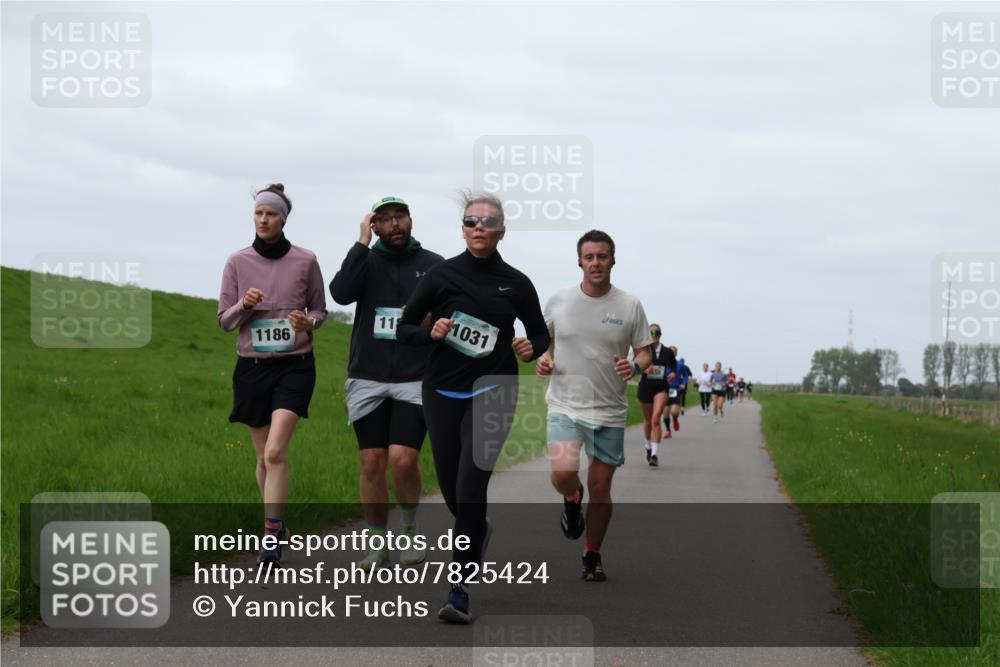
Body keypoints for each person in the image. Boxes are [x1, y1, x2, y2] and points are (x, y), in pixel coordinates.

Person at [397, 192, 549, 624]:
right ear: (462, 228)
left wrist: (527, 347)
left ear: (502, 231)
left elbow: (539, 335)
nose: (478, 227)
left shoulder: (516, 282)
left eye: (488, 222)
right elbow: (406, 327)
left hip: (495, 389)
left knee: (470, 485)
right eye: (470, 221)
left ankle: (458, 589)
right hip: (442, 391)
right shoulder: (440, 275)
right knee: (451, 487)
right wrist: (432, 332)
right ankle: (476, 528)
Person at [329, 196, 444, 571]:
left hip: (415, 375)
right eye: (385, 219)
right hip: (368, 375)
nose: (394, 224)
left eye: (400, 217)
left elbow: (452, 313)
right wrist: (360, 243)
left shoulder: (433, 266)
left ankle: (409, 531)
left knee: (403, 458)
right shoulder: (366, 260)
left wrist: (435, 321)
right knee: (371, 461)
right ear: (374, 226)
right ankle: (377, 543)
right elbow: (341, 293)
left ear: (411, 221)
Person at [218, 183, 327, 565]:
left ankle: (269, 536)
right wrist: (244, 306)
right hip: (251, 367)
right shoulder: (237, 261)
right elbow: (224, 321)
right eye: (259, 214)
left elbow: (320, 311)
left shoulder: (305, 260)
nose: (263, 220)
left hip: (295, 365)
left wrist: (307, 321)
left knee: (277, 450)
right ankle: (276, 523)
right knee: (263, 457)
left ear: (283, 219)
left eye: (271, 214)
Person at [537, 230, 653, 583]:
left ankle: (592, 553)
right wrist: (543, 358)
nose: (596, 263)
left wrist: (634, 366)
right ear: (579, 261)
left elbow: (645, 352)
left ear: (612, 260)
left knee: (601, 489)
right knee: (562, 472)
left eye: (602, 256)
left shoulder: (630, 305)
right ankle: (572, 498)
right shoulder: (559, 301)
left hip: (609, 409)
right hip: (564, 404)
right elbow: (545, 344)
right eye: (589, 257)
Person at [636, 325, 676, 467]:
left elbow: (673, 366)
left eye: (657, 332)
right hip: (646, 387)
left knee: (655, 419)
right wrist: (645, 370)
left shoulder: (667, 352)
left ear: (660, 334)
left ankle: (654, 454)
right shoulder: (643, 350)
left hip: (661, 387)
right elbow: (636, 365)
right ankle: (648, 445)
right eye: (651, 332)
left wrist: (672, 373)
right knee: (647, 421)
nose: (654, 334)